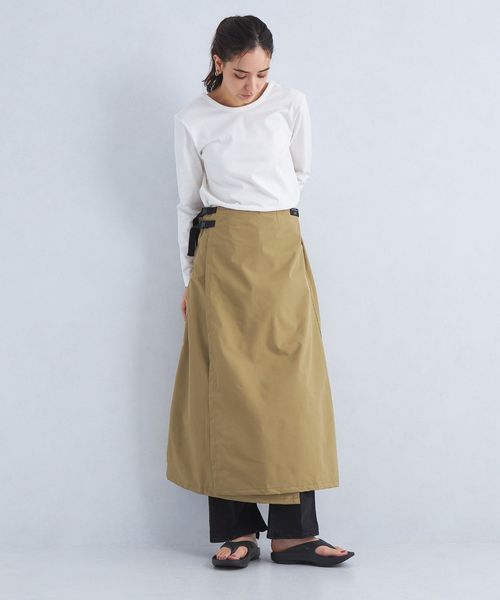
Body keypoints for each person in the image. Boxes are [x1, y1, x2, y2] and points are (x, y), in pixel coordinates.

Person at [166, 15, 355, 568]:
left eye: (263, 73)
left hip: (280, 248)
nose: (253, 86)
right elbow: (187, 203)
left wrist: (268, 218)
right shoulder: (192, 118)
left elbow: (299, 174)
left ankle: (295, 535)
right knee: (226, 388)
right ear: (218, 62)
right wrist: (189, 278)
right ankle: (239, 530)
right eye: (242, 74)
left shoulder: (290, 104)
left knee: (292, 388)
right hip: (221, 255)